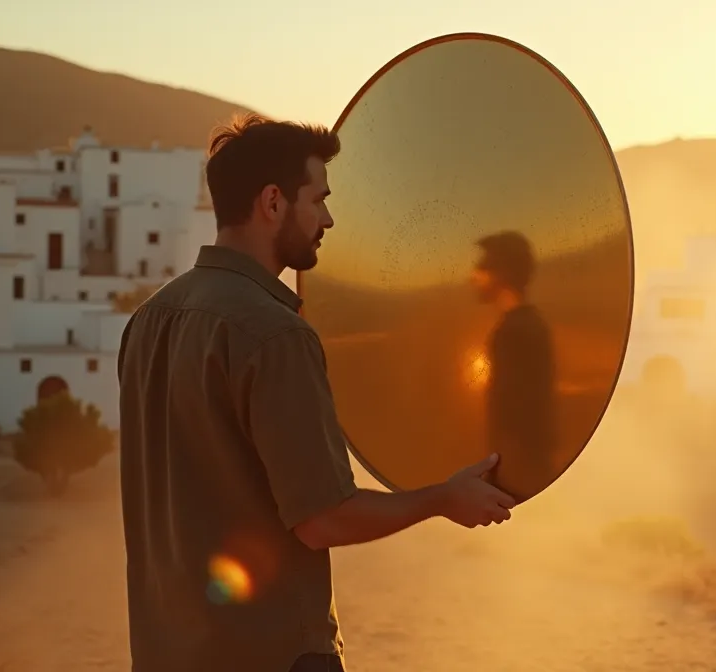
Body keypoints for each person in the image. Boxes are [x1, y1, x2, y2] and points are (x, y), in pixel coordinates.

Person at [117, 113, 516, 672]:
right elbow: (323, 518)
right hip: (271, 655)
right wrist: (442, 499)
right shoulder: (275, 333)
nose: (328, 218)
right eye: (319, 199)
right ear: (274, 203)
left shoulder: (148, 321)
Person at [469, 230, 557, 501]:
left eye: (484, 265)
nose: (474, 274)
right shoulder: (526, 326)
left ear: (503, 273)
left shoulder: (515, 332)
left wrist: (499, 481)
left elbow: (518, 417)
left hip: (519, 477)